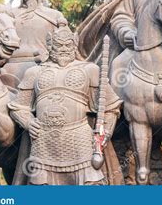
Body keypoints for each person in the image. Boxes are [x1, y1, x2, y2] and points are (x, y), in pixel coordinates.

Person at [8, 26, 122, 185]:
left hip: (80, 142)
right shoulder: (34, 72)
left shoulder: (90, 70)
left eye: (67, 45)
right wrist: (27, 122)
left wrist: (104, 133)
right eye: (58, 45)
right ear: (49, 45)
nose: (63, 49)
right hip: (43, 143)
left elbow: (110, 106)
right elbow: (18, 106)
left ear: (74, 44)